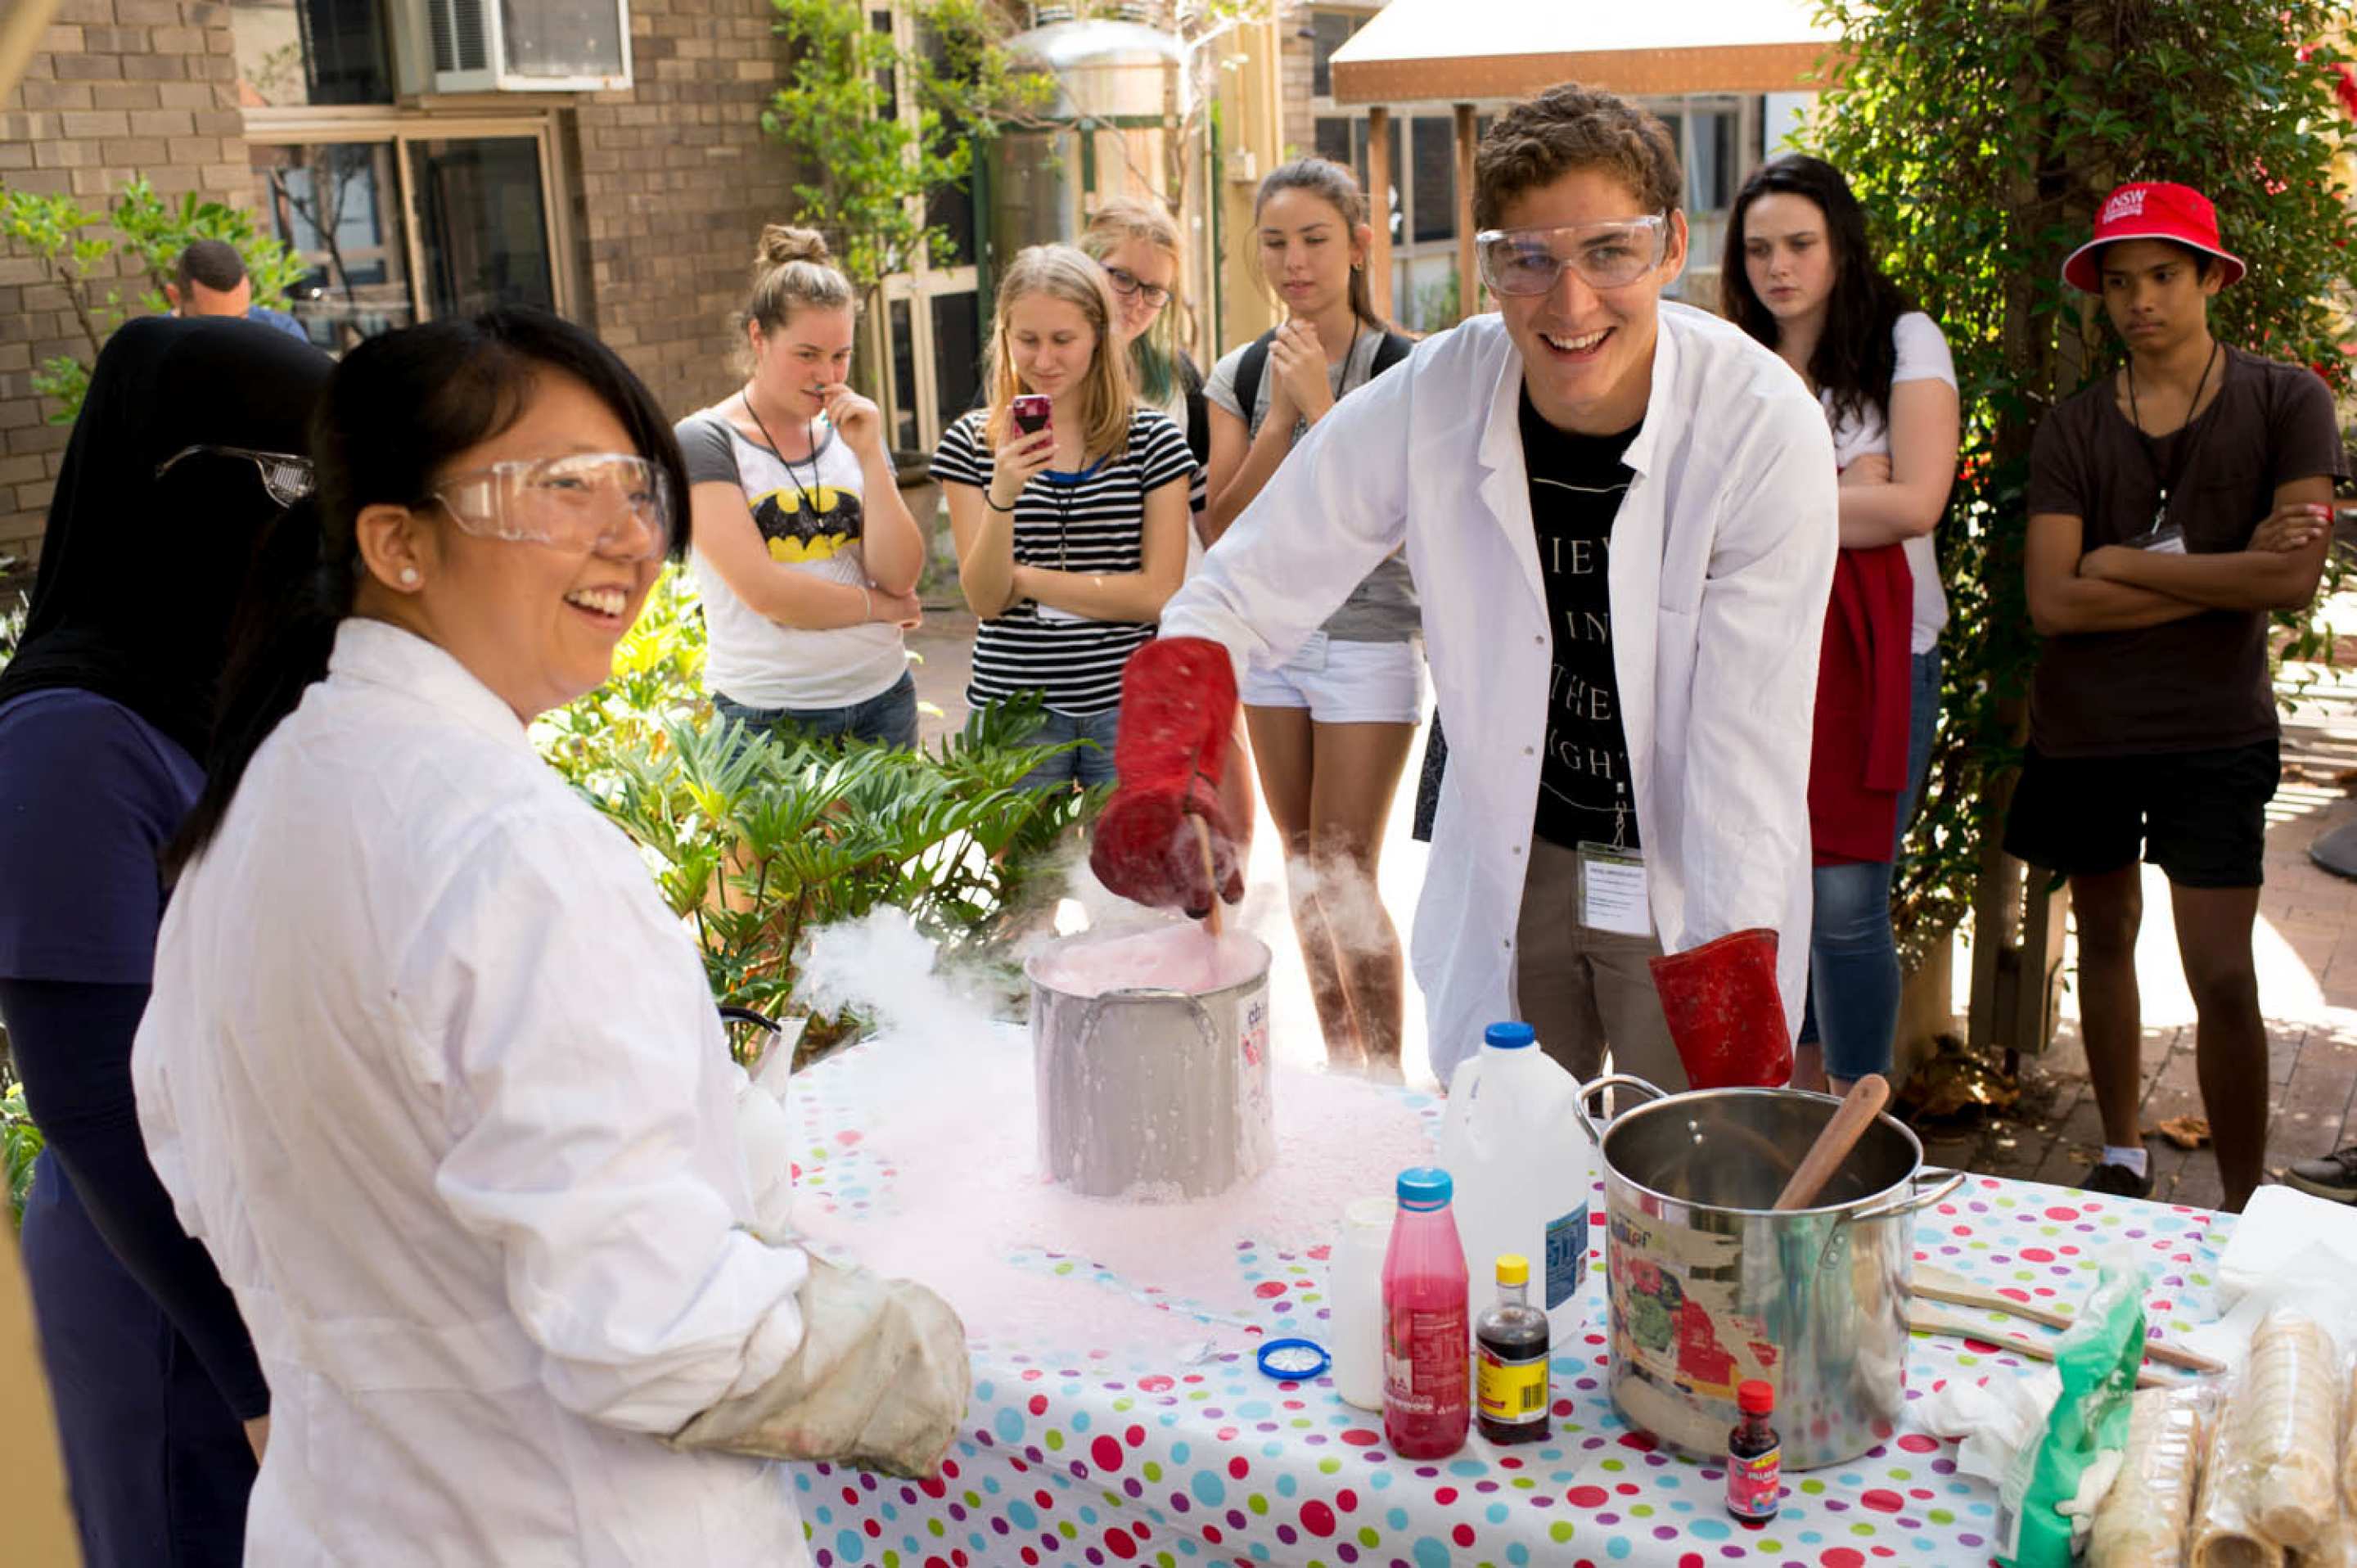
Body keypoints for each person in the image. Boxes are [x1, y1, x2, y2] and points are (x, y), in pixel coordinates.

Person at [130, 308, 967, 1561]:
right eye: (561, 488)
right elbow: (658, 1332)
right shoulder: (500, 845)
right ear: (397, 544)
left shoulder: (259, 796)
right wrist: (911, 1355)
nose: (630, 539)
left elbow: (196, 1166)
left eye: (637, 490)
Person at [1092, 83, 1836, 1091]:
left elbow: (1744, 753)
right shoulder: (1437, 394)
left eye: (1608, 251)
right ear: (1489, 266)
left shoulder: (1758, 423)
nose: (1569, 304)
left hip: (1688, 878)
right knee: (1506, 1177)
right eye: (1527, 259)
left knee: (1688, 1182)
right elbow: (1240, 586)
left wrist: (1737, 1029)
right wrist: (1164, 766)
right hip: (1514, 853)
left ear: (1668, 246)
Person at [0, 314, 329, 1566]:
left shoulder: (206, 691)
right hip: (164, 1294)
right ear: (177, 487)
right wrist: (248, 1376)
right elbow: (88, 1098)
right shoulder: (69, 737)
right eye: (297, 487)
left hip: (261, 1260)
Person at [2004, 181, 2346, 1211]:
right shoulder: (2073, 428)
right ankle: (2121, 1150)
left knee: (2223, 973)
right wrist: (2221, 576)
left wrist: (2122, 562)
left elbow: (2289, 580)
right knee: (2105, 936)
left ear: (2209, 277)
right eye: (2119, 282)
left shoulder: (2288, 401)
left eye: (2162, 275)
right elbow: (2053, 605)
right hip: (2088, 730)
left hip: (2214, 732)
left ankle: (2245, 1198)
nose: (2140, 299)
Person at [1723, 155, 1961, 1093]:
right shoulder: (1735, 360)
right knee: (1781, 893)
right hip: (1763, 654)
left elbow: (1915, 505)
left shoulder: (1906, 341)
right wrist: (1842, 489)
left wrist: (1785, 503)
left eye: (1799, 244)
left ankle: (1863, 1114)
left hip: (1882, 656)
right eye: (1757, 249)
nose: (1777, 266)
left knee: (1847, 901)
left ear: (1840, 245)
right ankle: (1803, 1103)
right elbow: (1710, 517)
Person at [1199, 158, 1422, 1073]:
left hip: (1369, 638)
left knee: (1346, 866)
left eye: (1316, 239)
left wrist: (1327, 410)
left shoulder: (1410, 367)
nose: (1296, 261)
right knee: (1299, 863)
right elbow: (1222, 526)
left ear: (1360, 245)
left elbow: (1405, 530)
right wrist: (1280, 419)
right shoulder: (1242, 370)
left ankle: (1389, 1080)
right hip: (1274, 643)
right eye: (1277, 242)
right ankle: (1342, 1067)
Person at [931, 244, 1195, 791]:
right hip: (1013, 708)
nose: (1044, 360)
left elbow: (1159, 593)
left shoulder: (1152, 440)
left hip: (1127, 704)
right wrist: (1004, 491)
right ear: (1004, 335)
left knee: (1124, 876)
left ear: (1098, 336)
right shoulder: (970, 443)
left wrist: (1026, 580)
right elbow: (983, 598)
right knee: (1025, 878)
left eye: (1063, 340)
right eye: (1027, 340)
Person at [677, 226, 925, 749]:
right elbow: (769, 594)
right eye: (807, 354)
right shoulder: (705, 441)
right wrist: (881, 608)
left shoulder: (855, 425)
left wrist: (871, 460)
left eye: (840, 356)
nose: (826, 375)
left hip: (881, 701)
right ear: (758, 338)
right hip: (767, 717)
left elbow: (900, 575)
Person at [1075, 197, 1213, 543]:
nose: (1136, 301)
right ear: (1085, 264)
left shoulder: (1177, 377)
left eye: (1153, 290)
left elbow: (1203, 505)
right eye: (1122, 278)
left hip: (1174, 587)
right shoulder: (1039, 366)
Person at [164, 240, 309, 343]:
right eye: (213, 325)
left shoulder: (283, 335)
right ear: (175, 297)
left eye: (241, 319)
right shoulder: (153, 349)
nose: (230, 336)